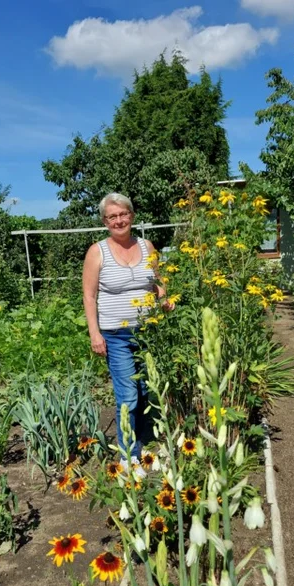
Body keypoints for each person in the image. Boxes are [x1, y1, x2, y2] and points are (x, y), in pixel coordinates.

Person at [82, 192, 168, 472]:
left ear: (131, 215)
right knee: (128, 395)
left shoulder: (147, 246)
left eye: (123, 214)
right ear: (105, 221)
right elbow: (89, 295)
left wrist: (164, 299)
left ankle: (142, 440)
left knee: (146, 389)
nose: (118, 220)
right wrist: (95, 333)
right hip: (115, 335)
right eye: (112, 216)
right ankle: (128, 456)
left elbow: (158, 282)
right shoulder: (97, 252)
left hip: (147, 331)